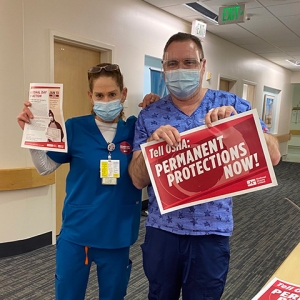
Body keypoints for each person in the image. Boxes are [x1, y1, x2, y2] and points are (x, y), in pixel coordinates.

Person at [128, 32, 281, 300]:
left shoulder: (232, 105)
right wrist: (151, 147)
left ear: (203, 66)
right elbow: (137, 179)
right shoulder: (150, 115)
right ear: (163, 68)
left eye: (189, 62)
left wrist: (238, 127)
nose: (181, 70)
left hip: (211, 231)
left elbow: (274, 155)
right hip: (163, 231)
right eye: (172, 64)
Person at [17, 63, 155, 300]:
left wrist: (158, 105)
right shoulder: (74, 128)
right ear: (91, 97)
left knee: (113, 296)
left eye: (112, 94)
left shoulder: (135, 128)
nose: (106, 100)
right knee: (68, 295)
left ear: (123, 94)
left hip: (117, 233)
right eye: (99, 95)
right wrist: (32, 135)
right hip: (77, 233)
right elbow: (45, 168)